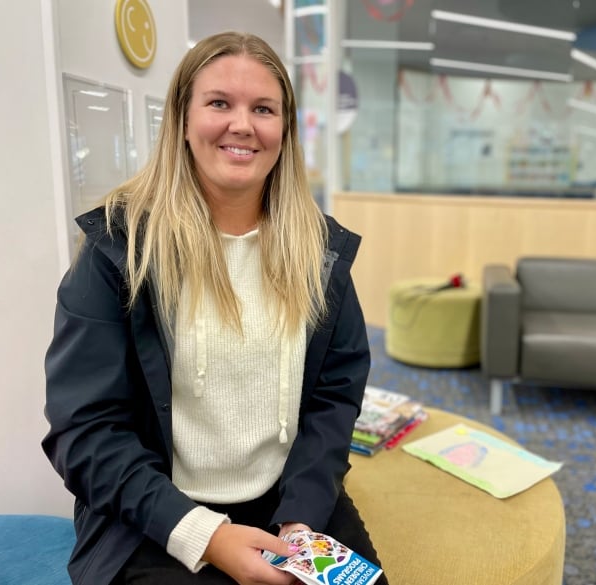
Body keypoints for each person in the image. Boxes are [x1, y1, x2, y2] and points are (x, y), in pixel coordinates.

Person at [42, 31, 388, 585]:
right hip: (154, 512)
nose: (243, 125)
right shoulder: (120, 249)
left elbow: (334, 398)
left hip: (285, 502)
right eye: (220, 103)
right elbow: (84, 431)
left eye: (264, 109)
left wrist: (302, 522)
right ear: (182, 118)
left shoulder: (319, 252)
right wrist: (208, 537)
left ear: (285, 130)